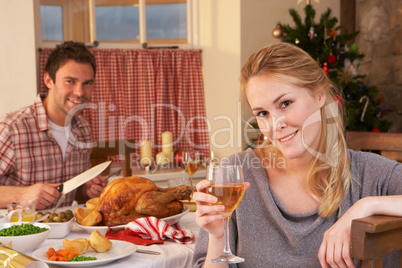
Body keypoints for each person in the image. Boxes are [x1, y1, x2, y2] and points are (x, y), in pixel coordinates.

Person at [192, 43, 402, 268]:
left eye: (285, 103)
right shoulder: (236, 173)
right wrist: (217, 237)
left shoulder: (372, 174)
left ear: (320, 95)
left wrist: (365, 207)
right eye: (262, 113)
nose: (275, 124)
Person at [0, 41, 107, 210]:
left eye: (87, 83)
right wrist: (21, 195)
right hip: (14, 235)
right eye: (70, 81)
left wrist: (86, 190)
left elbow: (73, 193)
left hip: (63, 233)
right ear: (49, 80)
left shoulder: (83, 129)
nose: (80, 92)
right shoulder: (11, 128)